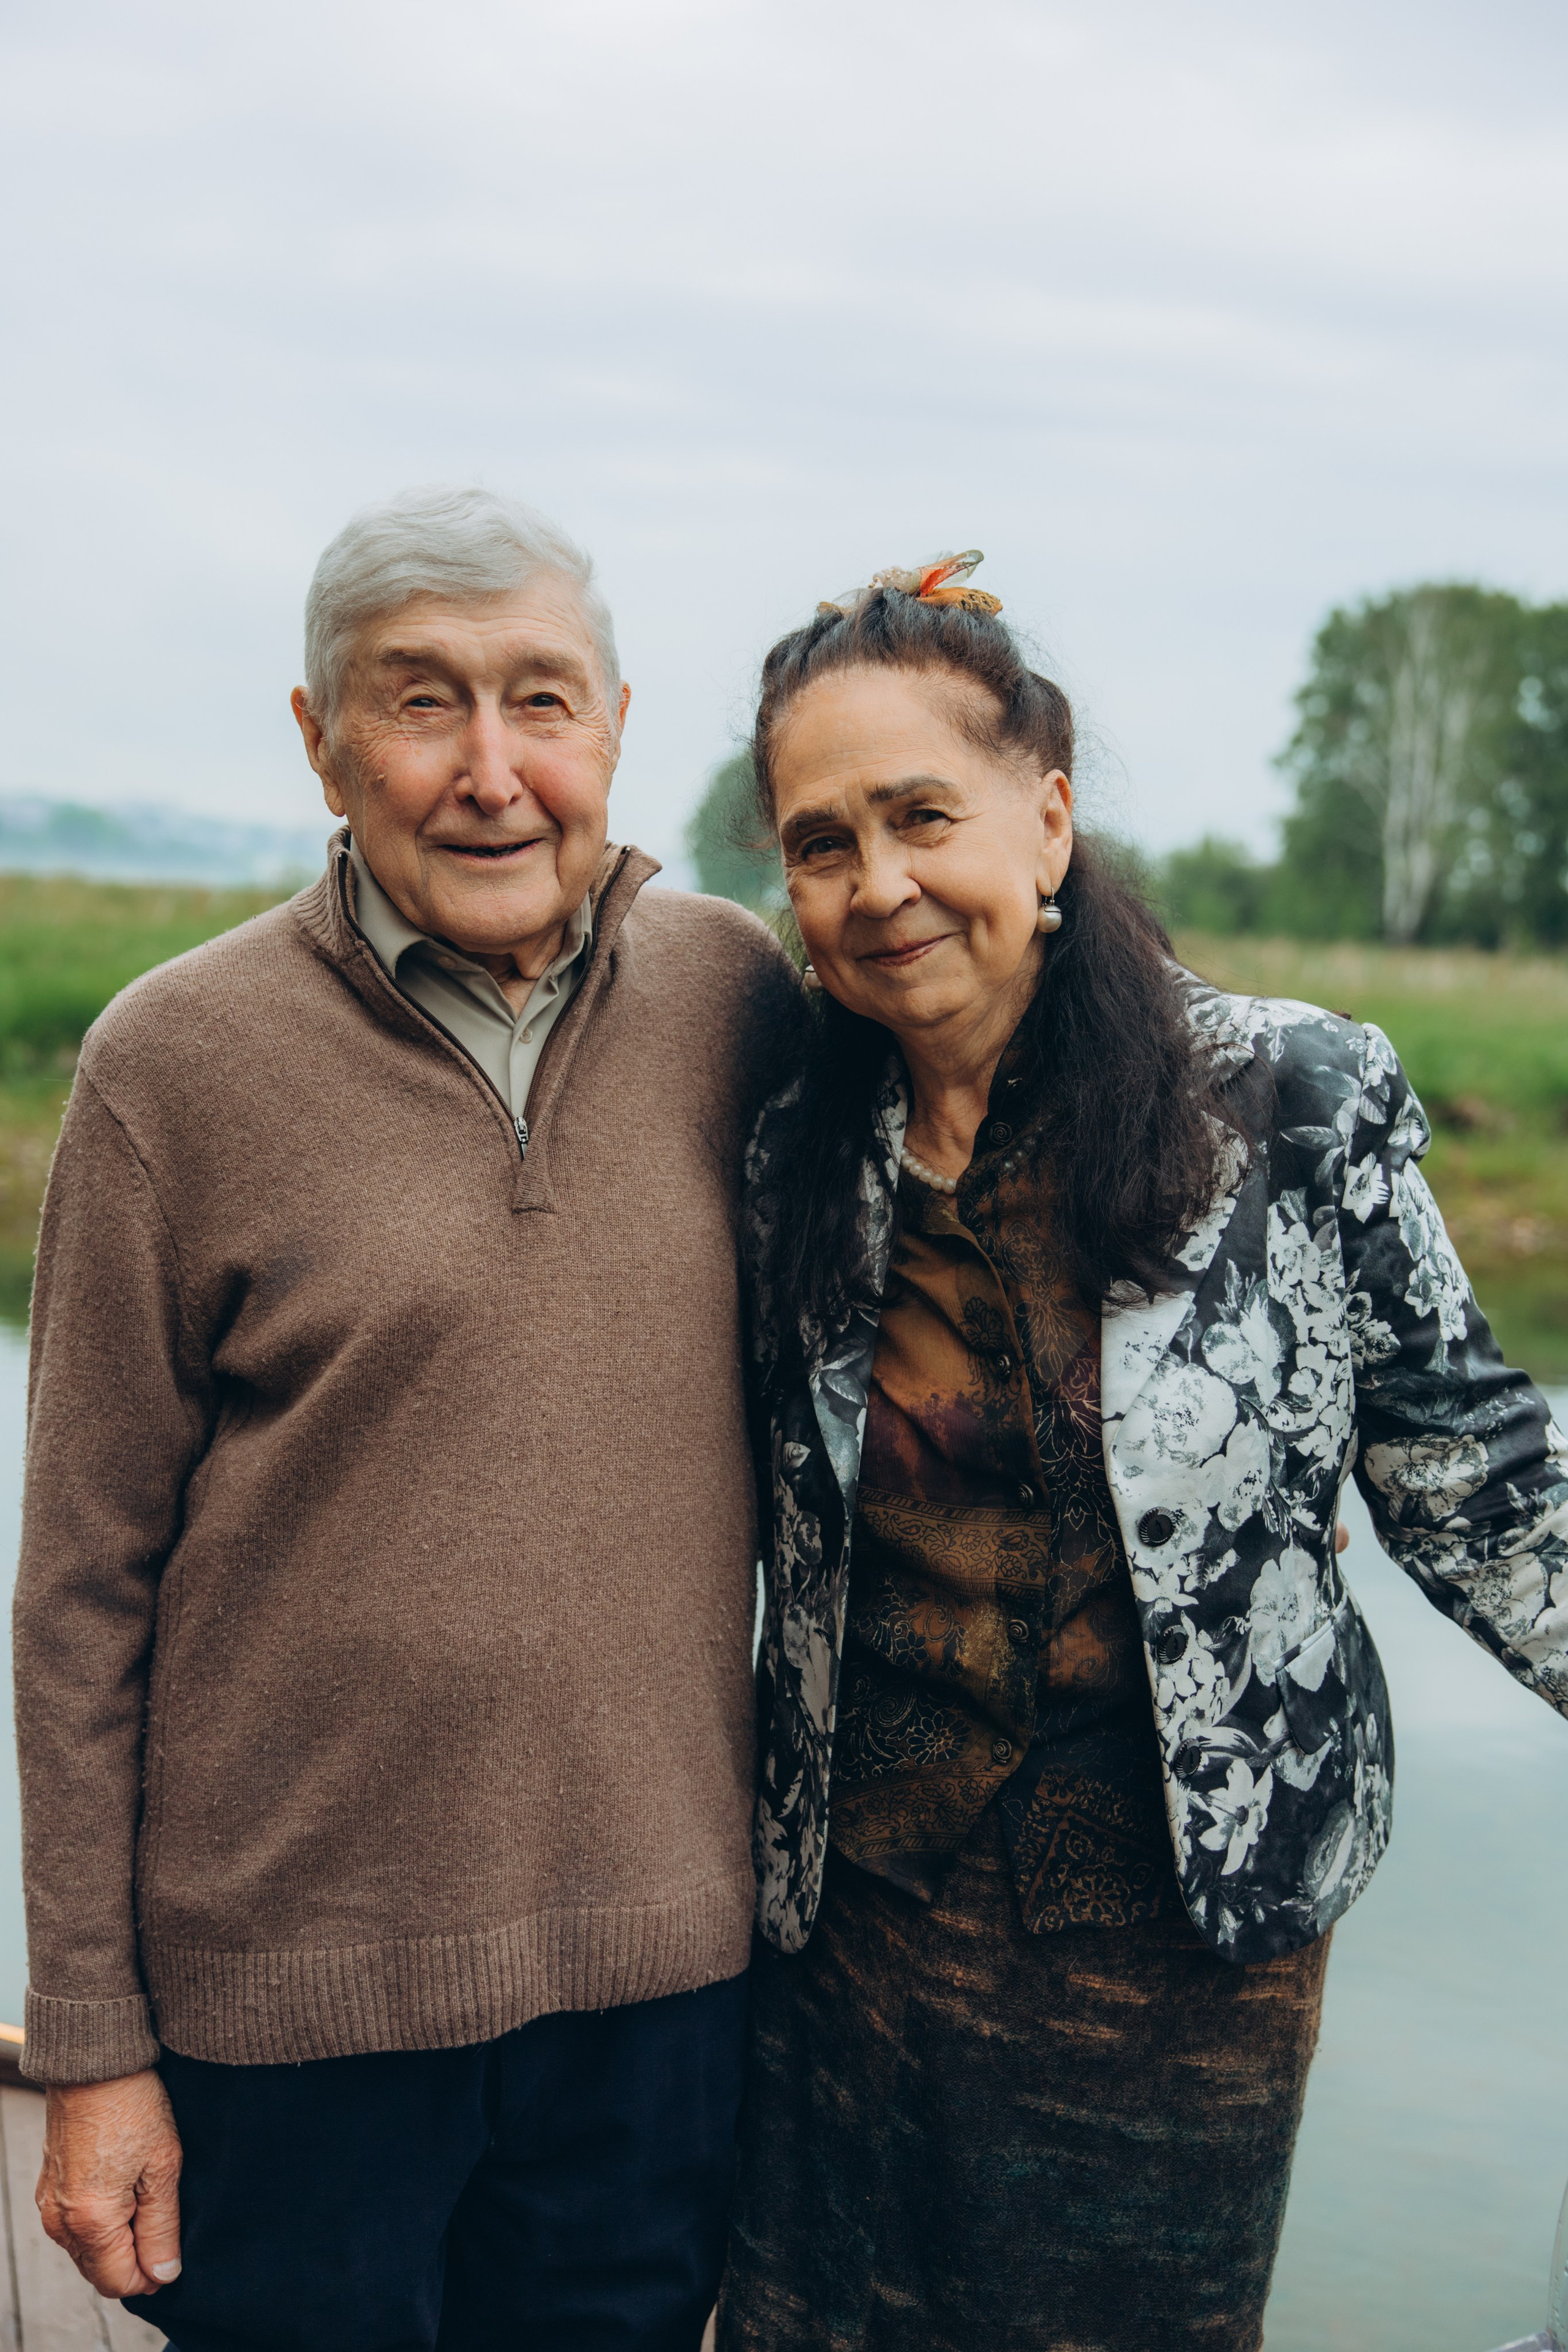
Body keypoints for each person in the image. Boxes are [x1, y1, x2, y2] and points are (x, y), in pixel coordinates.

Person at [717, 554, 1568, 2351]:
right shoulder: (790, 1144)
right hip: (849, 1923)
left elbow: (1476, 1469)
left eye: (922, 816)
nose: (879, 886)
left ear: (1048, 819)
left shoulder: (1288, 1102)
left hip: (1177, 1941)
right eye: (820, 844)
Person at [16, 485, 796, 2352]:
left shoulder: (743, 1007)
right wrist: (96, 2050)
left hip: (657, 2011)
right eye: (422, 700)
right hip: (290, 2028)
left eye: (542, 700)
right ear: (322, 739)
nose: (491, 771)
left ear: (616, 728)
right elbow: (78, 1602)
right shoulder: (168, 1067)